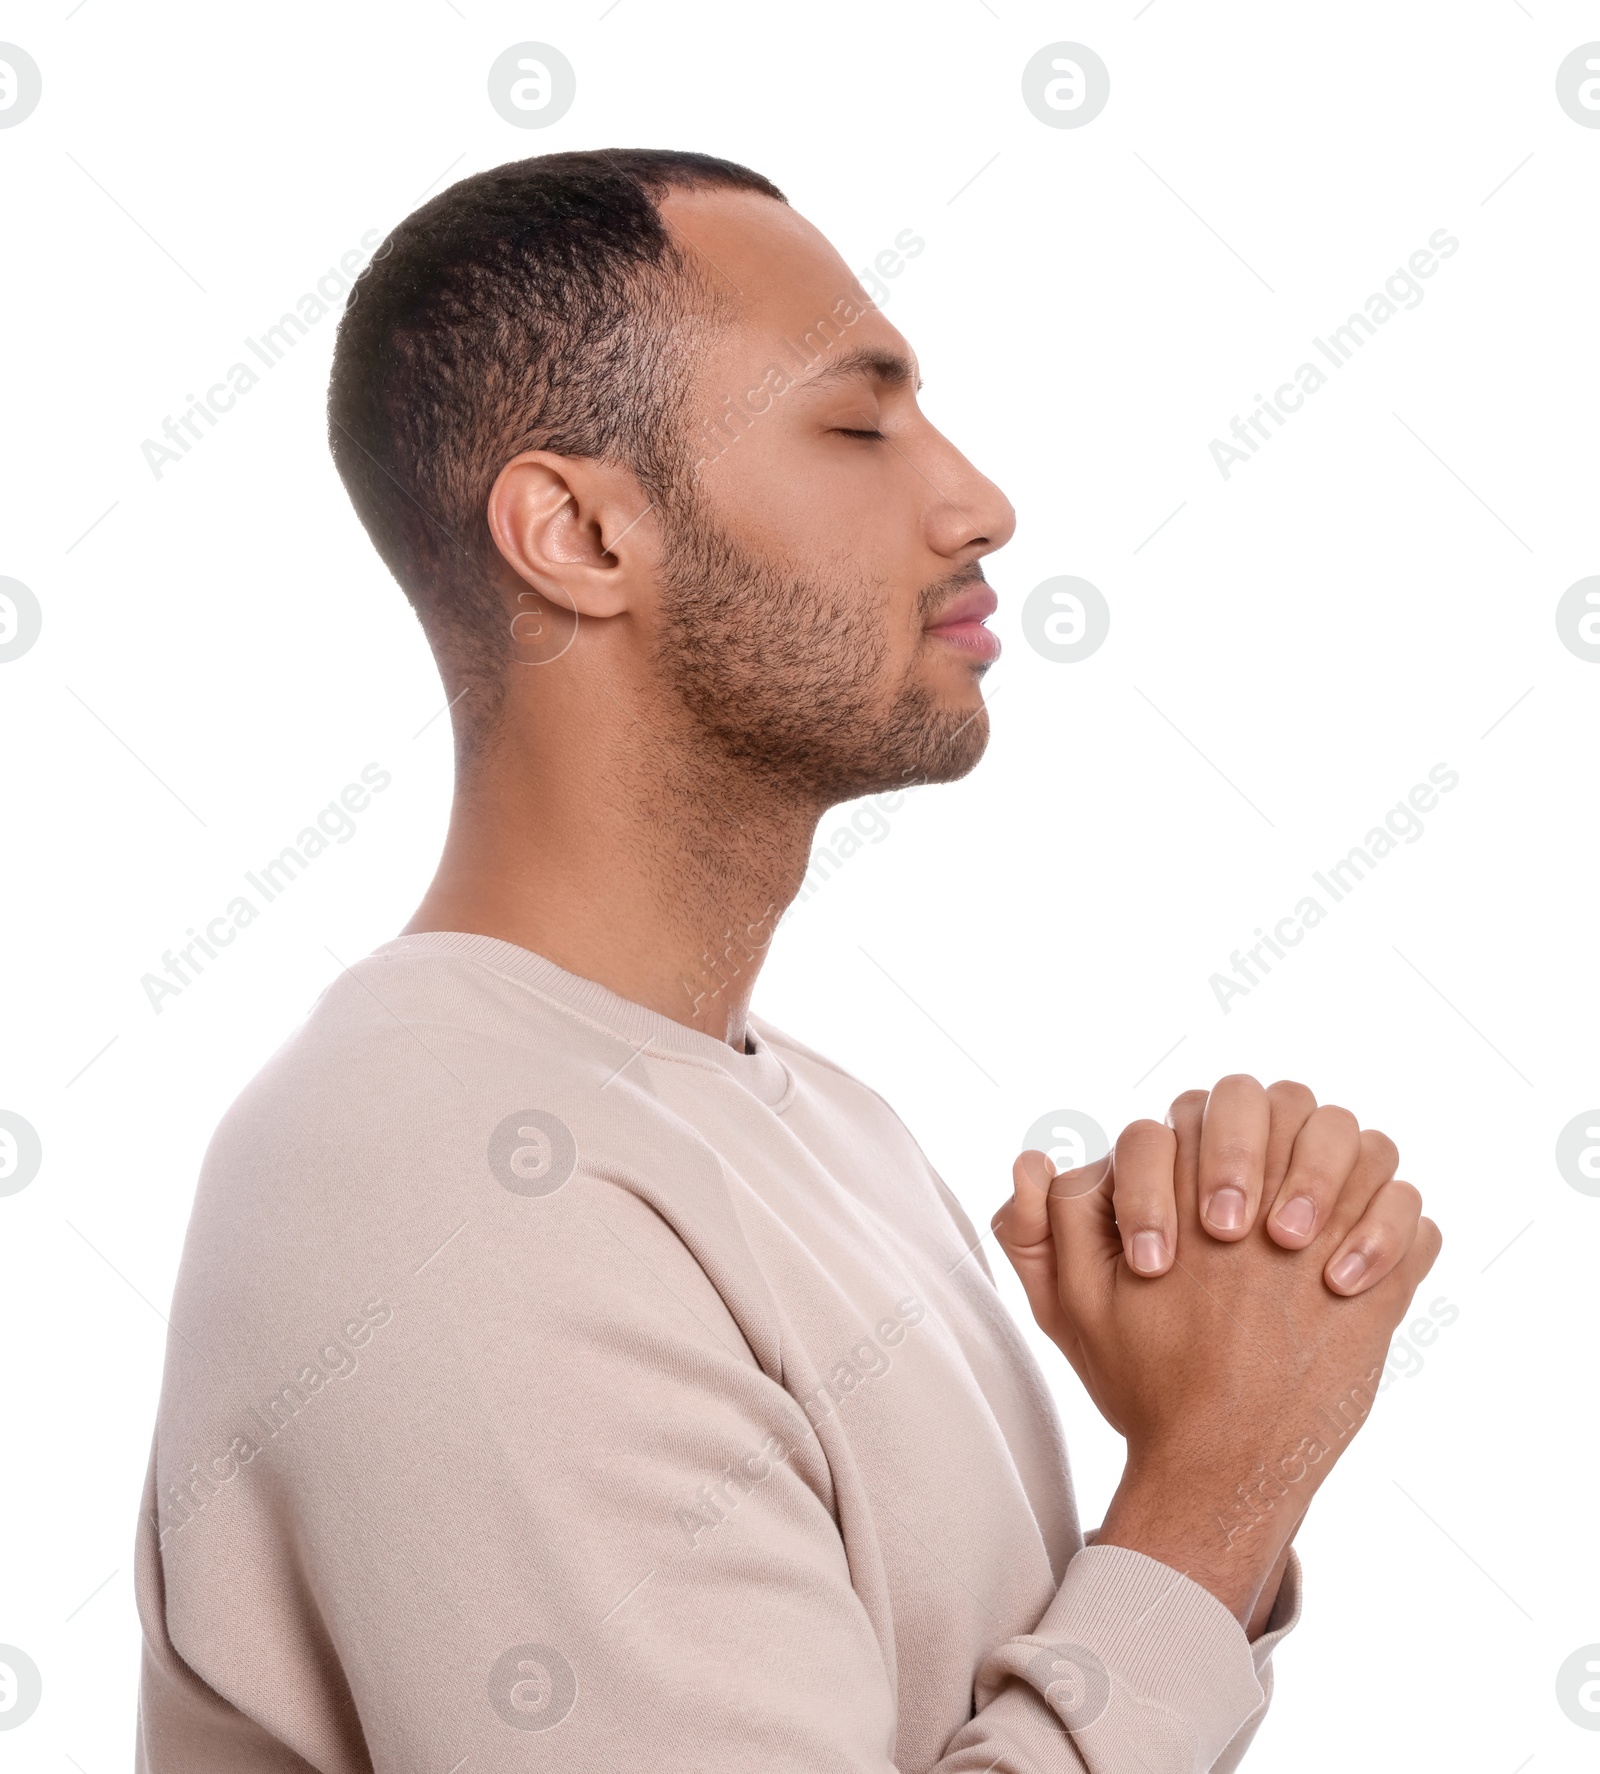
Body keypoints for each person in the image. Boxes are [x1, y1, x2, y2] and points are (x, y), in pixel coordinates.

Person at [133, 149, 1440, 1773]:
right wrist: (1224, 1479)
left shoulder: (819, 1119)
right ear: (580, 535)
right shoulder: (443, 1172)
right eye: (856, 422)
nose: (976, 501)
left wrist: (1220, 1375)